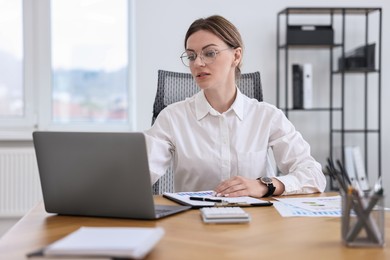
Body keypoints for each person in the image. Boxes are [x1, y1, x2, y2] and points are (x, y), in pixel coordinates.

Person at [144, 15, 326, 198]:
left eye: (209, 53)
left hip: (256, 222)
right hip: (192, 222)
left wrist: (265, 186)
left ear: (236, 56)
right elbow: (138, 176)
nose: (198, 63)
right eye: (191, 56)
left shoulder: (266, 116)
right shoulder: (173, 117)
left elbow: (314, 175)